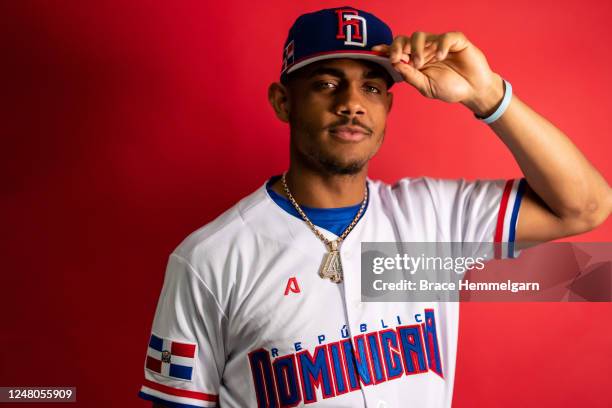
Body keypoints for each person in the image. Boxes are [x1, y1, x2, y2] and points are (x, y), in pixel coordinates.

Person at [138, 6, 611, 408]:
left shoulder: (435, 218)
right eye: (327, 84)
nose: (352, 105)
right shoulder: (209, 259)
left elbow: (585, 207)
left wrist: (487, 95)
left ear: (388, 106)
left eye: (371, 88)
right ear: (284, 102)